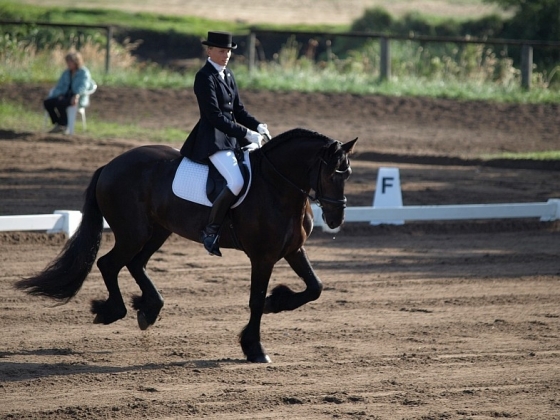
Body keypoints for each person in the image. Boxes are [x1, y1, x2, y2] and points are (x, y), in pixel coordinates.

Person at [180, 31, 271, 257]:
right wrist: (247, 134)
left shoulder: (228, 75)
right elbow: (214, 116)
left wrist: (257, 126)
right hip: (212, 140)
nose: (226, 55)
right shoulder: (204, 77)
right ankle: (210, 231)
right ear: (209, 51)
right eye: (222, 51)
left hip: (232, 138)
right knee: (237, 181)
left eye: (229, 51)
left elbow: (237, 111)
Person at [44, 51, 93, 134]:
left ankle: (63, 125)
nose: (68, 64)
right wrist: (59, 94)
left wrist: (76, 95)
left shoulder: (84, 73)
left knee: (61, 103)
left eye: (70, 62)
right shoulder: (66, 73)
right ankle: (60, 124)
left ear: (76, 62)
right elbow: (60, 85)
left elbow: (84, 86)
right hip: (64, 95)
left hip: (77, 97)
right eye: (67, 62)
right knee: (48, 103)